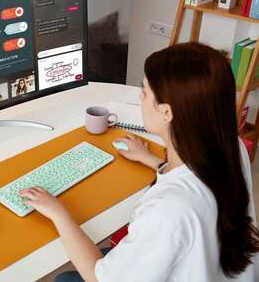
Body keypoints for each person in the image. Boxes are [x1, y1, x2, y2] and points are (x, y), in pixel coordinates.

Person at [19, 43, 259, 282]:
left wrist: (58, 212)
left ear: (166, 112)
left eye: (144, 91)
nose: (140, 97)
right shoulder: (232, 147)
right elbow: (196, 183)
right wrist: (150, 160)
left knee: (64, 279)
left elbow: (97, 277)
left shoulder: (168, 210)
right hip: (222, 269)